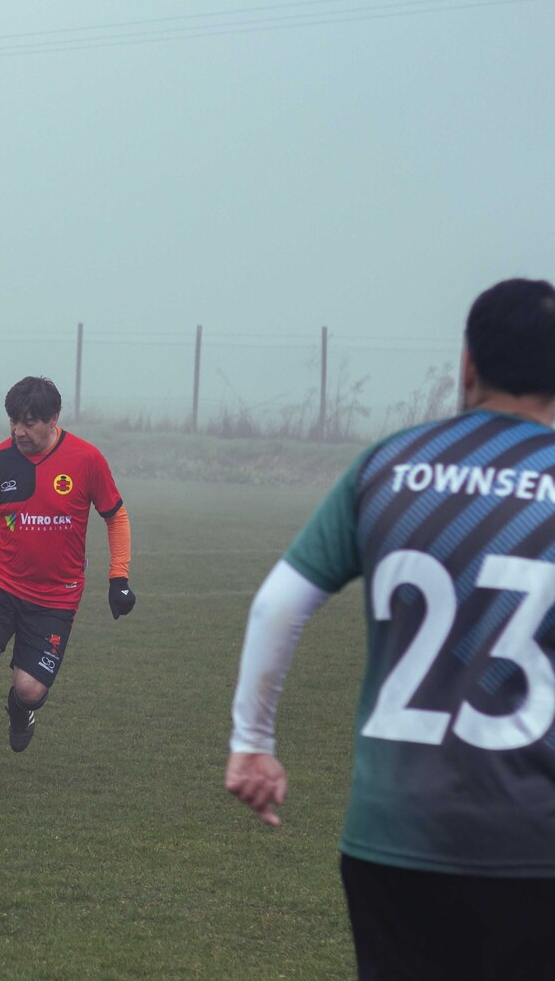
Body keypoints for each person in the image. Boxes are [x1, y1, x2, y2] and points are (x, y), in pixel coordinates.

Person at [225, 279, 555, 980]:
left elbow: (277, 606)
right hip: (535, 840)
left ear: (467, 363)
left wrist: (252, 742)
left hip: (395, 834)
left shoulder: (389, 464)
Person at [0, 375, 134, 784]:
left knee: (29, 689)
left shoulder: (86, 459)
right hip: (0, 585)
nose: (18, 431)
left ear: (53, 418)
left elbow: (116, 517)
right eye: (13, 421)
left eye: (29, 422)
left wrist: (119, 577)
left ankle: (20, 709)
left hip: (57, 598)